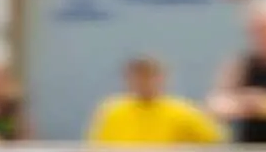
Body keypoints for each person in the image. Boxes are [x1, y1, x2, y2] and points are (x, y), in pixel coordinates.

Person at [86, 56, 225, 145]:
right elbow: (96, 149)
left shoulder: (185, 112)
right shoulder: (111, 110)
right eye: (138, 77)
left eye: (150, 76)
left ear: (163, 78)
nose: (144, 82)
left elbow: (215, 142)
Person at [207, 0, 266, 143]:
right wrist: (243, 104)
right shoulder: (241, 64)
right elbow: (215, 105)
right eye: (257, 30)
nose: (265, 36)